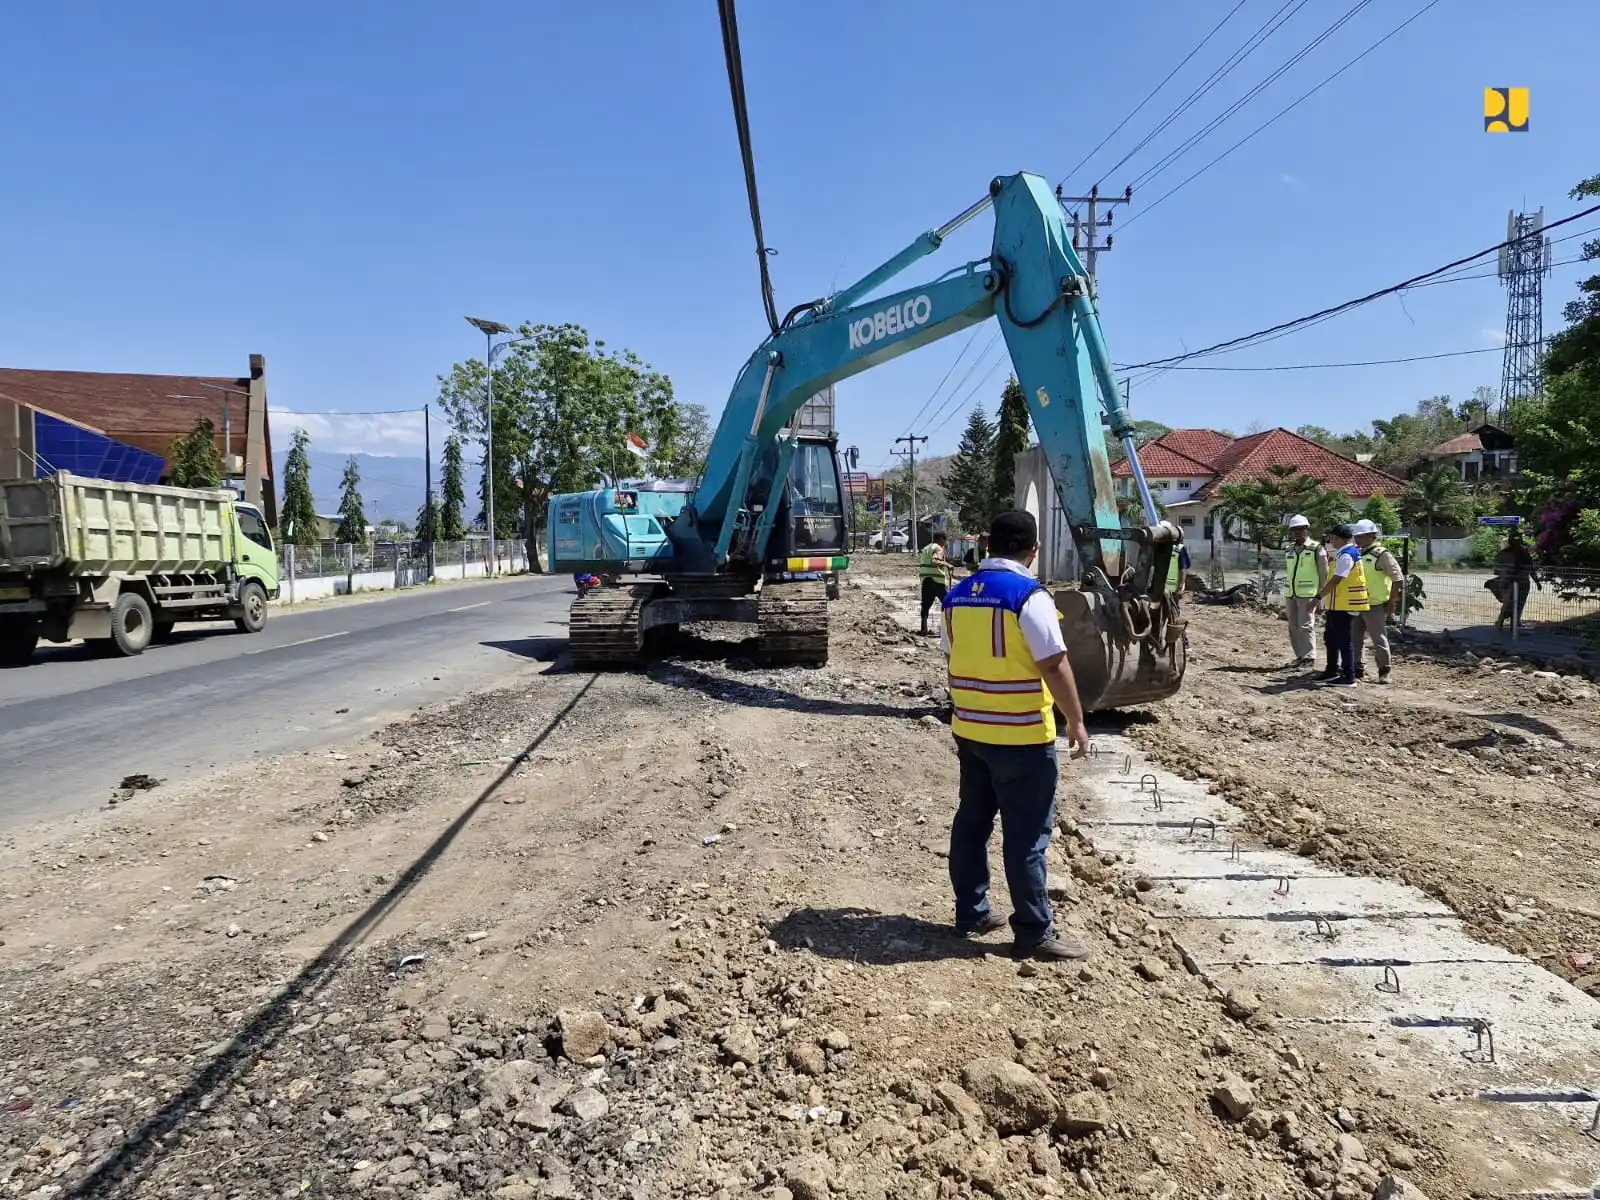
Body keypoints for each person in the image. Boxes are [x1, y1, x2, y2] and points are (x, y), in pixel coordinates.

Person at [940, 510, 1092, 962]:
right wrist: (1077, 721)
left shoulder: (957, 595)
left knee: (972, 822)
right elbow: (1053, 663)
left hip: (971, 732)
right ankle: (1032, 931)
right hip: (1023, 736)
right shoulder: (1029, 596)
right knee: (1027, 837)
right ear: (1034, 548)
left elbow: (951, 656)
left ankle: (971, 912)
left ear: (987, 545)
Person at [1310, 523, 1368, 686]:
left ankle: (1348, 676)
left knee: (1343, 640)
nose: (1330, 541)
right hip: (1337, 604)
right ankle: (1332, 671)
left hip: (1346, 604)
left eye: (1332, 538)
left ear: (1336, 538)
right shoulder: (1343, 553)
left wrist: (1318, 597)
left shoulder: (1347, 555)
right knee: (1331, 638)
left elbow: (1337, 580)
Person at [1352, 519, 1404, 684]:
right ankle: (1357, 668)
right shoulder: (1357, 553)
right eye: (1356, 536)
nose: (1357, 539)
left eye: (1360, 536)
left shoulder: (1382, 555)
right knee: (1354, 638)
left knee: (1378, 638)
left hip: (1374, 604)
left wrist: (1391, 601)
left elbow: (1398, 579)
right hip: (1356, 602)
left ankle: (1384, 670)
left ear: (1371, 536)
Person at [1283, 515, 1328, 666]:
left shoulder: (1316, 549)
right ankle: (1300, 656)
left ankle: (1309, 657)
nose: (1297, 532)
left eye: (1301, 529)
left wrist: (1320, 596)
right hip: (1291, 593)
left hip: (1308, 594)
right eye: (1294, 529)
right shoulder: (1289, 549)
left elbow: (1324, 574)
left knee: (1306, 625)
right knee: (1293, 626)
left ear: (1307, 529)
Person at [1492, 531, 1541, 633]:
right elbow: (1497, 569)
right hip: (1512, 582)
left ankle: (1512, 623)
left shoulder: (1522, 553)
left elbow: (1530, 567)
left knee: (1517, 603)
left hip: (1520, 582)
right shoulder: (1506, 553)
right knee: (1511, 603)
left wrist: (1537, 581)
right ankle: (1503, 622)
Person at [918, 531, 953, 635]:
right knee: (948, 604)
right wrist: (947, 564)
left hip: (925, 580)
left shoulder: (926, 548)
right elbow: (934, 561)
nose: (944, 543)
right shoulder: (938, 548)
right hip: (937, 581)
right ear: (941, 539)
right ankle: (950, 628)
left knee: (925, 605)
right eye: (944, 540)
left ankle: (923, 628)